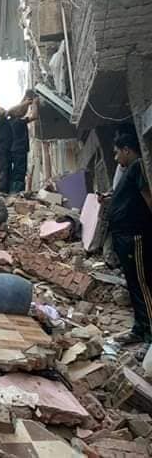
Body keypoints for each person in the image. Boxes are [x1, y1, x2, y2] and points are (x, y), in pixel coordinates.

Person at [104, 133, 152, 345]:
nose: (115, 158)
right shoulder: (127, 171)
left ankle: (150, 335)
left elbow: (147, 197)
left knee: (143, 284)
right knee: (133, 284)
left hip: (135, 235)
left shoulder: (138, 166)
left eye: (117, 153)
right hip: (123, 236)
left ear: (127, 150)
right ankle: (140, 329)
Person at [9, 91, 38, 194]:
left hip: (13, 149)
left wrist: (25, 101)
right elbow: (34, 116)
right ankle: (17, 192)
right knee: (20, 171)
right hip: (20, 149)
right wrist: (34, 103)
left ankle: (14, 191)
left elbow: (17, 110)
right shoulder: (19, 122)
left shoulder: (10, 122)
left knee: (16, 171)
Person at [0, 107, 12, 194]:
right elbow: (10, 112)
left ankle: (4, 188)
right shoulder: (0, 120)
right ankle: (2, 189)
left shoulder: (2, 120)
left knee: (3, 168)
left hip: (1, 148)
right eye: (2, 110)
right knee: (2, 169)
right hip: (0, 149)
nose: (4, 110)